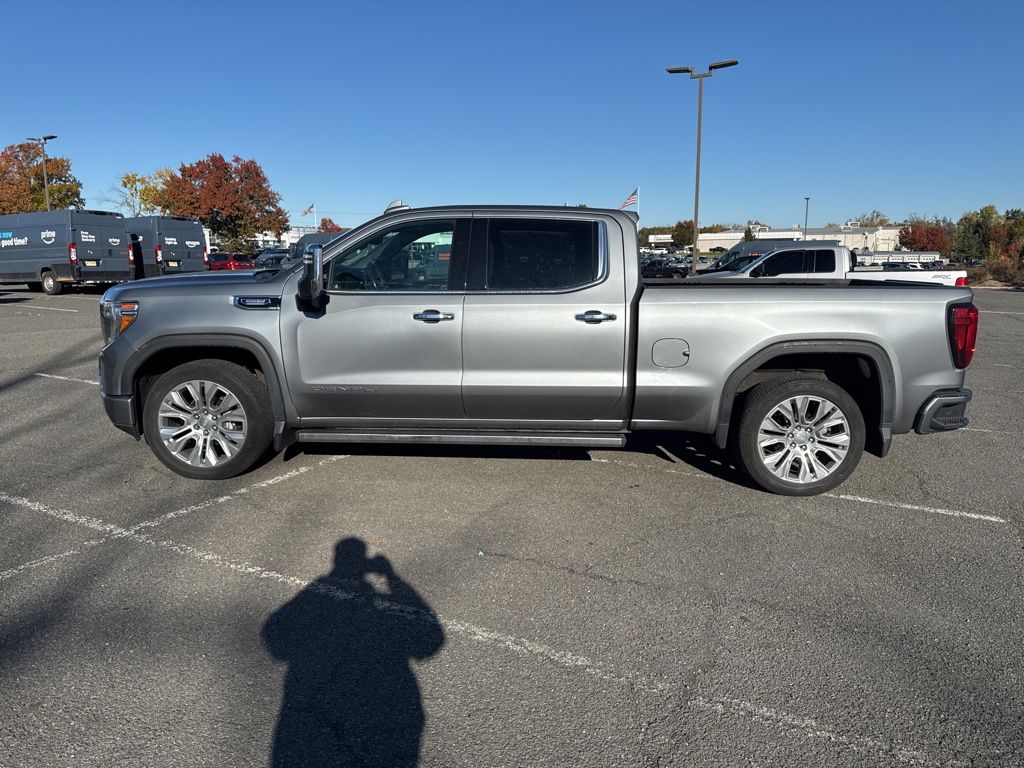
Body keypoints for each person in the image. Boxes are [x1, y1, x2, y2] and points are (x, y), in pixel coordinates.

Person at [262, 538, 445, 767]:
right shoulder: (333, 594)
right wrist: (391, 577)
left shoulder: (320, 592)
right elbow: (432, 638)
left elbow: (274, 631)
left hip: (323, 712)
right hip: (379, 709)